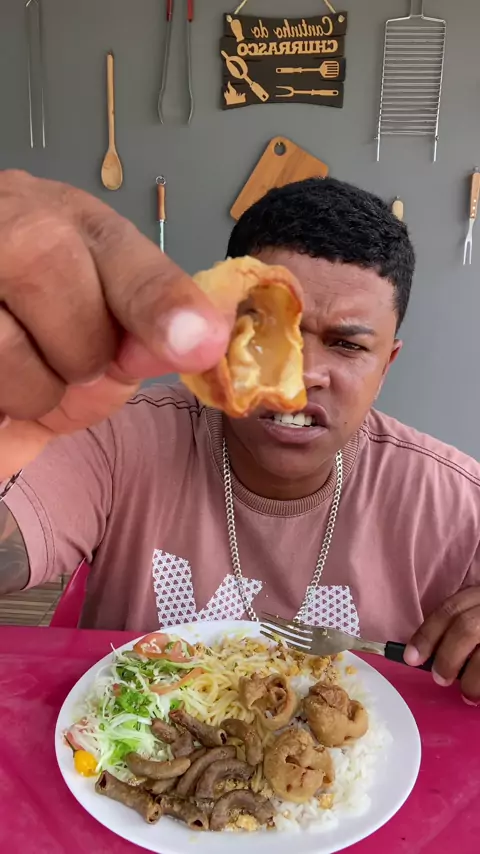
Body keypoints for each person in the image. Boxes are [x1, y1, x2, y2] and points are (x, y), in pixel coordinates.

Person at [0, 170, 479, 705]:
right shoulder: (115, 437)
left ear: (385, 365)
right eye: (267, 331)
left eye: (346, 345)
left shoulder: (451, 500)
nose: (298, 376)